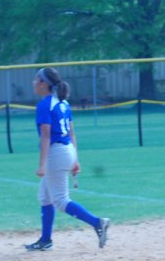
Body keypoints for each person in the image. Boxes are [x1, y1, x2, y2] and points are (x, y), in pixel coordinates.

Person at [24, 67, 110, 251]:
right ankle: (45, 240)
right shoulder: (63, 103)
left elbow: (46, 136)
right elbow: (72, 133)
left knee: (61, 200)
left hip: (56, 153)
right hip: (66, 150)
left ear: (44, 84)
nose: (33, 83)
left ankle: (97, 223)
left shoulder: (45, 105)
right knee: (45, 197)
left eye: (36, 79)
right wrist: (75, 159)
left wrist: (41, 165)